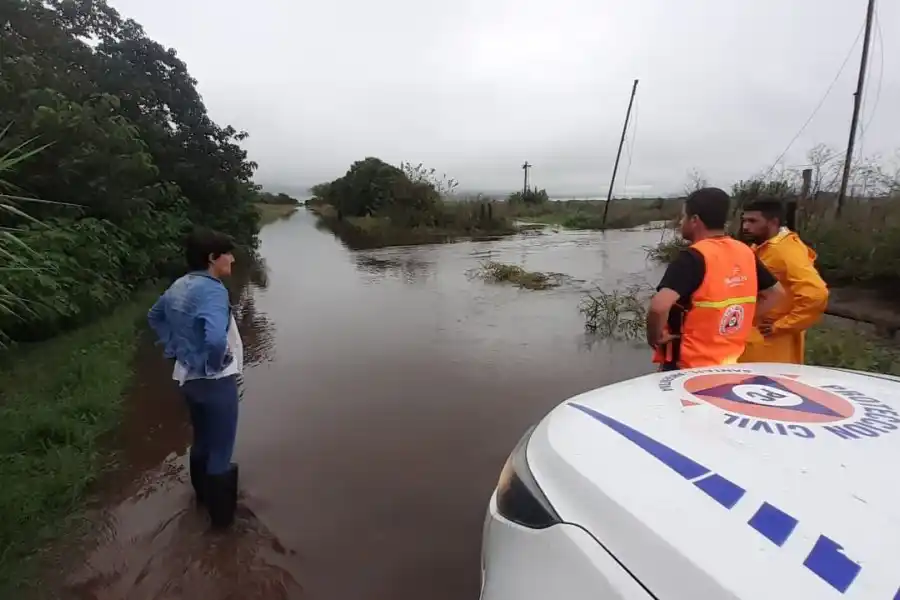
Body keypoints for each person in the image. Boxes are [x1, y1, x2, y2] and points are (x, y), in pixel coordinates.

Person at [147, 229, 243, 529]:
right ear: (213, 258)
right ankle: (224, 528)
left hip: (188, 379)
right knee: (221, 451)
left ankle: (202, 500)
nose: (233, 258)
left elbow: (154, 316)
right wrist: (214, 364)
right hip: (215, 381)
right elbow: (215, 339)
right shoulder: (213, 290)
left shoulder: (180, 284)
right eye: (227, 253)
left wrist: (175, 348)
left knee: (201, 441)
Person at [646, 188, 785, 371]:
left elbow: (659, 307)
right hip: (730, 361)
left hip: (687, 366)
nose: (681, 223)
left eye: (683, 217)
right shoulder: (745, 252)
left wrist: (655, 338)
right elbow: (776, 293)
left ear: (695, 220)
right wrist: (739, 321)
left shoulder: (692, 258)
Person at [738, 200, 829, 364]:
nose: (745, 227)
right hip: (754, 340)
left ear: (773, 222)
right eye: (744, 220)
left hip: (770, 346)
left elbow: (816, 294)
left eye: (752, 221)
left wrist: (781, 326)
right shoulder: (762, 247)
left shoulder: (785, 250)